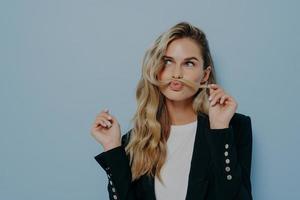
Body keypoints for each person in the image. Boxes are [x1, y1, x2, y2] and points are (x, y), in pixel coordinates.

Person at [90, 22, 253, 200]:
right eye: (168, 62)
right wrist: (112, 147)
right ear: (156, 70)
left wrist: (220, 129)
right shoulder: (136, 139)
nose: (176, 74)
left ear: (205, 75)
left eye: (189, 63)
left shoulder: (234, 127)